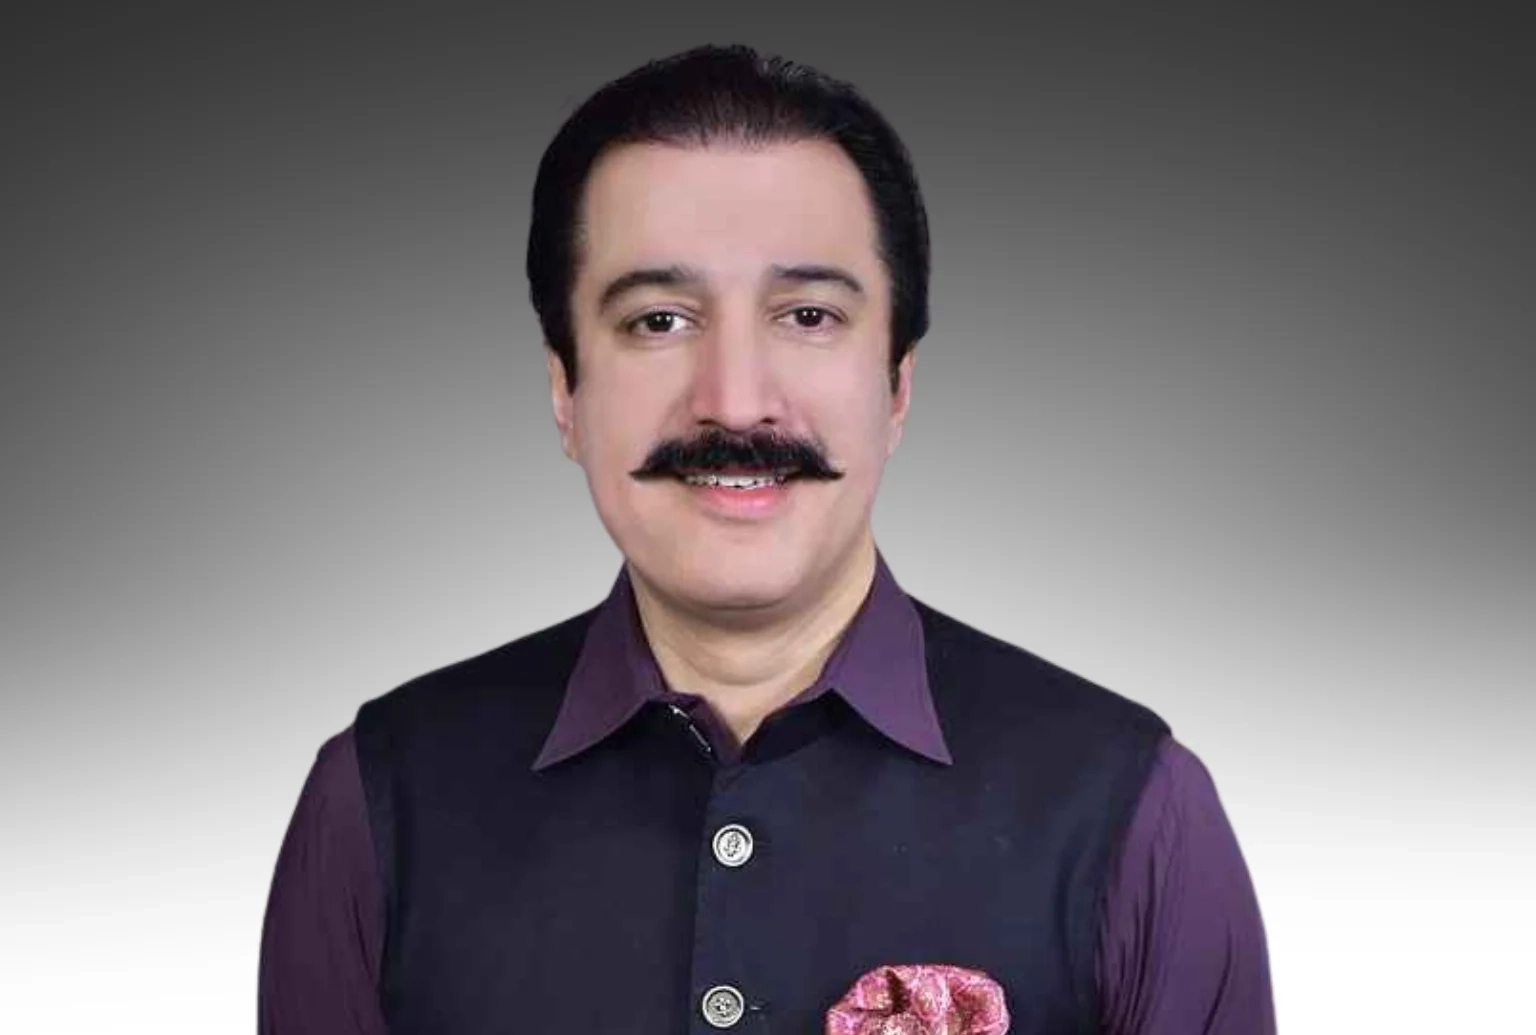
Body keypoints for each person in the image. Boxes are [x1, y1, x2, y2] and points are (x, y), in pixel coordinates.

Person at [258, 44, 1275, 1034]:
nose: (736, 400)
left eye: (808, 315)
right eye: (659, 320)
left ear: (897, 385)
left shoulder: (1134, 811)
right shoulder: (379, 803)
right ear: (566, 391)